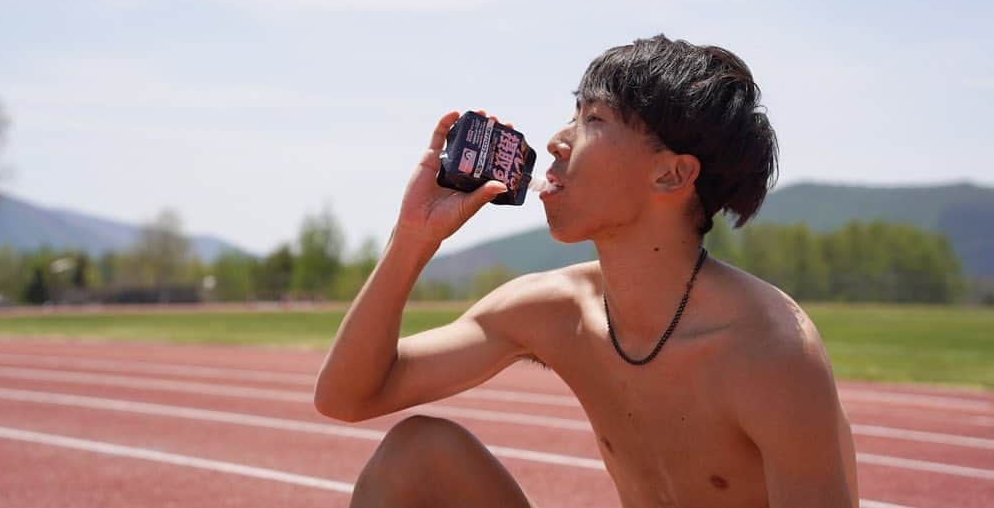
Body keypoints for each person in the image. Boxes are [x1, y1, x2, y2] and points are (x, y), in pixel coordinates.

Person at [315, 35, 858, 508]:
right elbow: (346, 397)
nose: (556, 139)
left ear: (671, 174)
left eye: (592, 119)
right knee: (418, 454)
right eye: (574, 114)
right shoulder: (551, 310)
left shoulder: (773, 353)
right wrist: (412, 238)